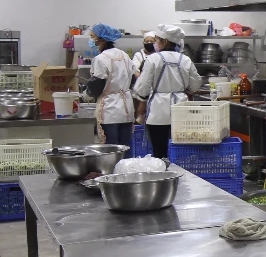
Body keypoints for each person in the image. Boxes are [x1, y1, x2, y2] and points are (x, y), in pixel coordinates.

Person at [133, 24, 203, 159]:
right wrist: (183, 90)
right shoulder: (185, 59)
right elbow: (195, 84)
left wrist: (142, 100)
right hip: (181, 110)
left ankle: (163, 169)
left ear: (165, 41)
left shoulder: (153, 59)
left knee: (159, 151)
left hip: (158, 112)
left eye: (156, 40)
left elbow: (143, 86)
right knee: (181, 152)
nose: (155, 43)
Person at [83, 23, 135, 146]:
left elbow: (97, 85)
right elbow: (132, 78)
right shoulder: (124, 55)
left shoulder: (101, 59)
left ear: (101, 39)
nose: (91, 40)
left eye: (92, 36)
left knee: (111, 148)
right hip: (127, 108)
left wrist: (87, 94)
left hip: (109, 109)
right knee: (125, 147)